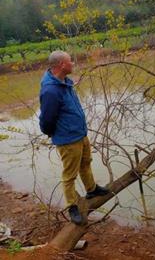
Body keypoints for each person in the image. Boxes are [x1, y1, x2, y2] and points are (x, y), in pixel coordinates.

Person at [39, 50, 109, 225]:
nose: (73, 64)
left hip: (80, 134)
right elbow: (47, 120)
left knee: (86, 163)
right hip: (68, 140)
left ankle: (91, 189)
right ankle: (72, 206)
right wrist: (55, 133)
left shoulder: (65, 83)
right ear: (62, 65)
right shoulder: (51, 91)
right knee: (69, 175)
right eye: (70, 61)